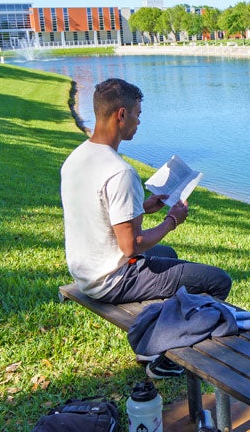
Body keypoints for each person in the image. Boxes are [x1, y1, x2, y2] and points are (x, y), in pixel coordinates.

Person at [60, 78, 232, 378]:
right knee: (217, 281)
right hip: (112, 280)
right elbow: (132, 245)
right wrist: (171, 221)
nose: (140, 121)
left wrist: (144, 208)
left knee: (168, 254)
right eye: (138, 114)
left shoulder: (77, 158)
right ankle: (160, 352)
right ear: (121, 114)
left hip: (86, 271)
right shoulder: (120, 172)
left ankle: (164, 324)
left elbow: (102, 215)